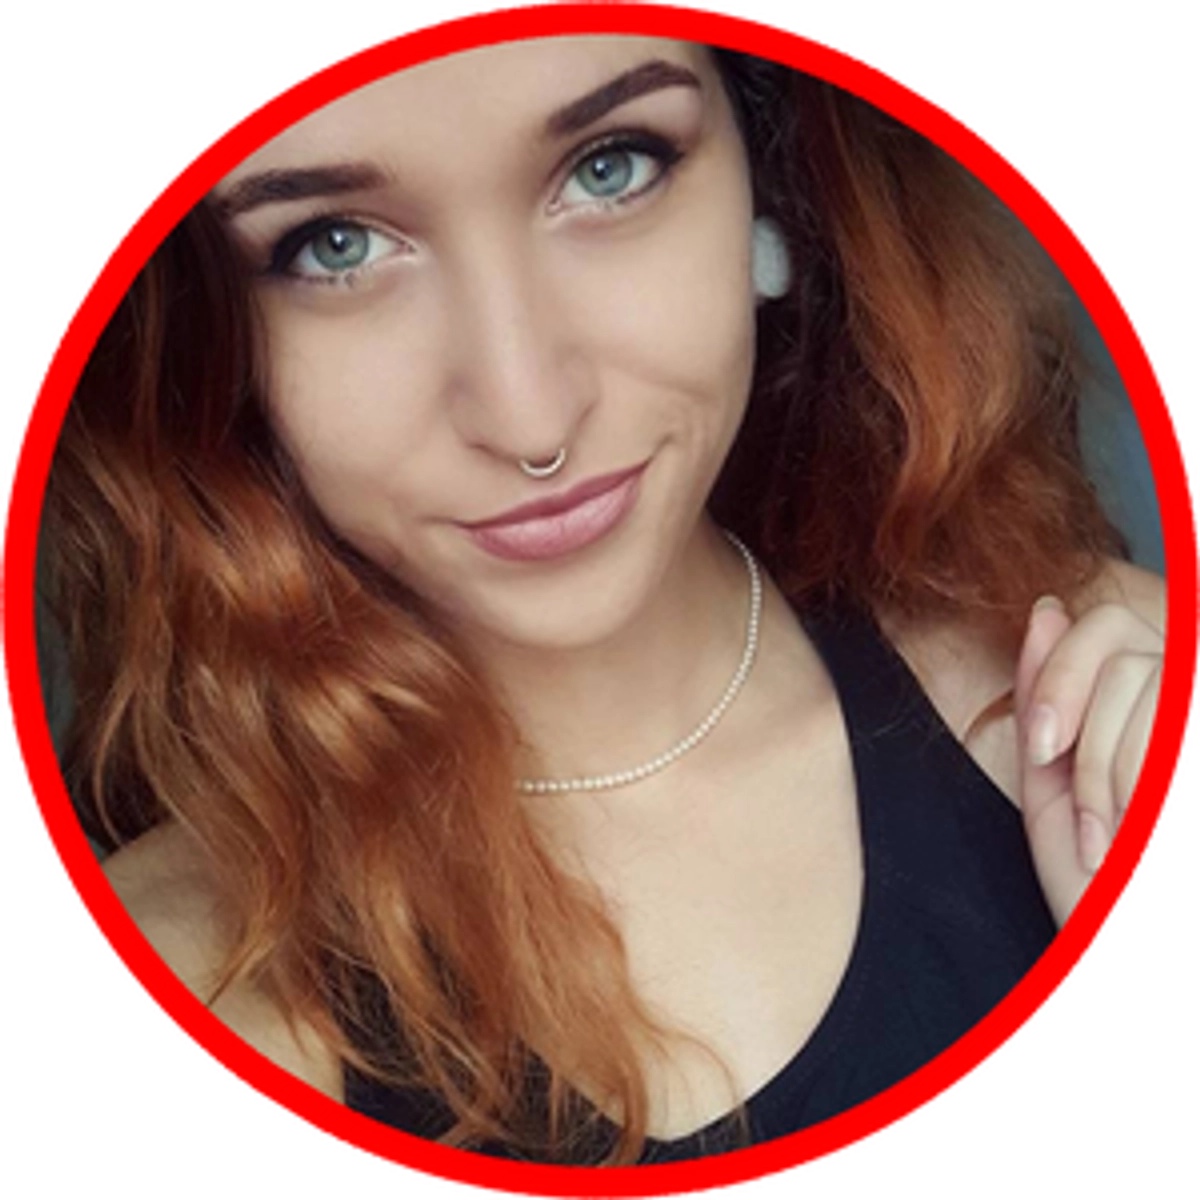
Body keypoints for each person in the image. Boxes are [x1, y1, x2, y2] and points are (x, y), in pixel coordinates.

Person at [42, 36, 1165, 1165]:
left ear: (772, 186)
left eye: (610, 167)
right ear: (208, 344)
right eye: (333, 245)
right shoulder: (189, 975)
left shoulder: (1108, 705)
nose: (530, 418)